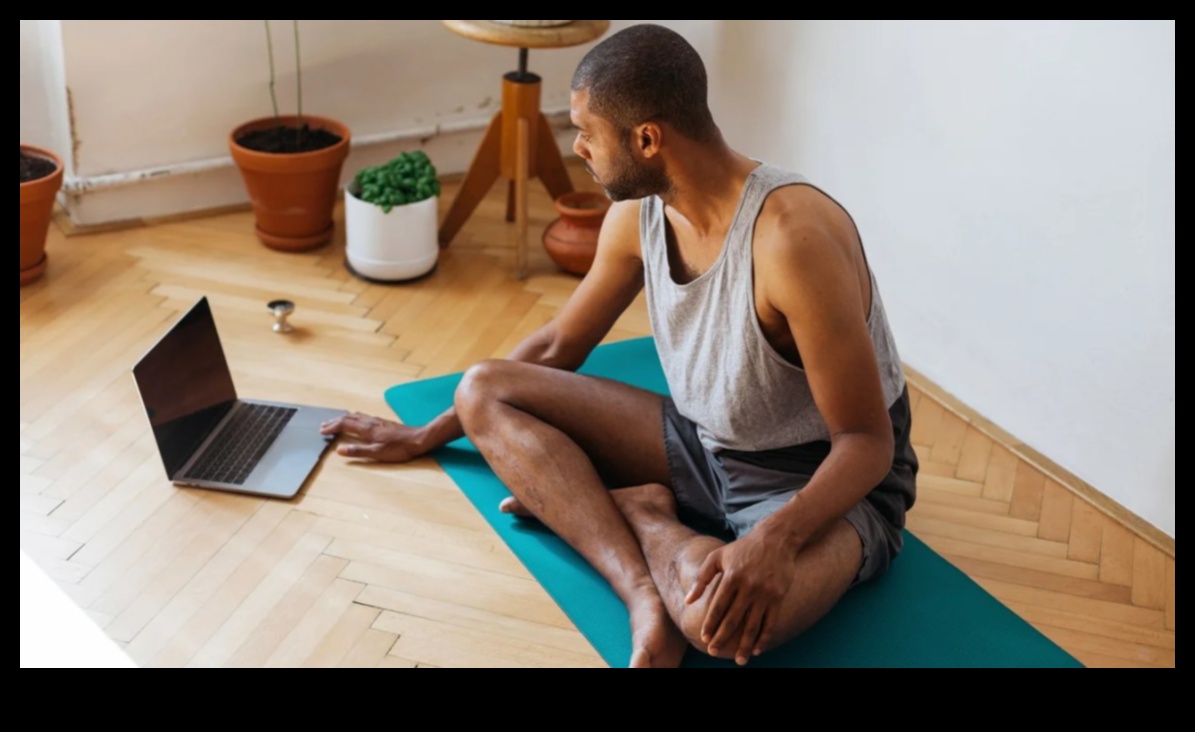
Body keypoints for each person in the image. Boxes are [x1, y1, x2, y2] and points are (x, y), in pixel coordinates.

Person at [321, 23, 918, 668]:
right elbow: (556, 345)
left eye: (586, 131)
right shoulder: (639, 212)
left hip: (819, 481)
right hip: (706, 441)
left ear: (647, 139)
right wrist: (430, 433)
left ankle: (634, 514)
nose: (577, 146)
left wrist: (775, 538)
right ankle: (639, 585)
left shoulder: (790, 241)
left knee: (716, 626)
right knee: (482, 388)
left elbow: (866, 443)